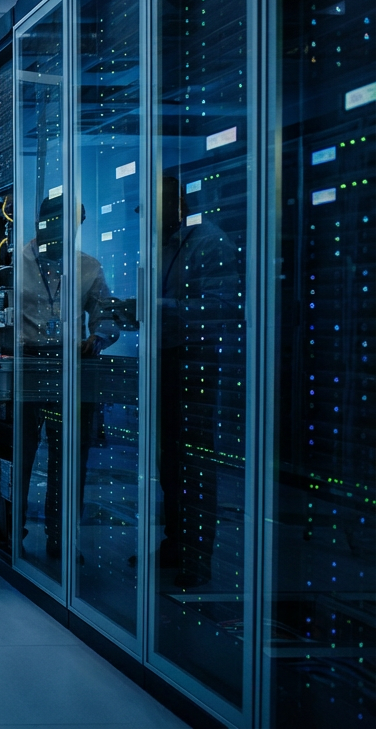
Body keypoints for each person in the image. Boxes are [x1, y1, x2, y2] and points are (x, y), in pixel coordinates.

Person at [15, 197, 119, 561]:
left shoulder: (88, 267)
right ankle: (12, 530)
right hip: (26, 365)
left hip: (73, 366)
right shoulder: (14, 264)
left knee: (69, 457)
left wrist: (99, 337)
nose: (64, 232)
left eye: (72, 225)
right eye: (57, 224)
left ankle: (61, 536)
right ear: (41, 222)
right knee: (19, 453)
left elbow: (107, 315)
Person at [157, 176, 240, 588]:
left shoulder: (210, 243)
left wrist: (159, 307)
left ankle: (197, 558)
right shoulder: (170, 244)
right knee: (169, 459)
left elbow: (223, 307)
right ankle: (175, 544)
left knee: (194, 461)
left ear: (176, 204)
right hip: (169, 360)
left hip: (197, 361)